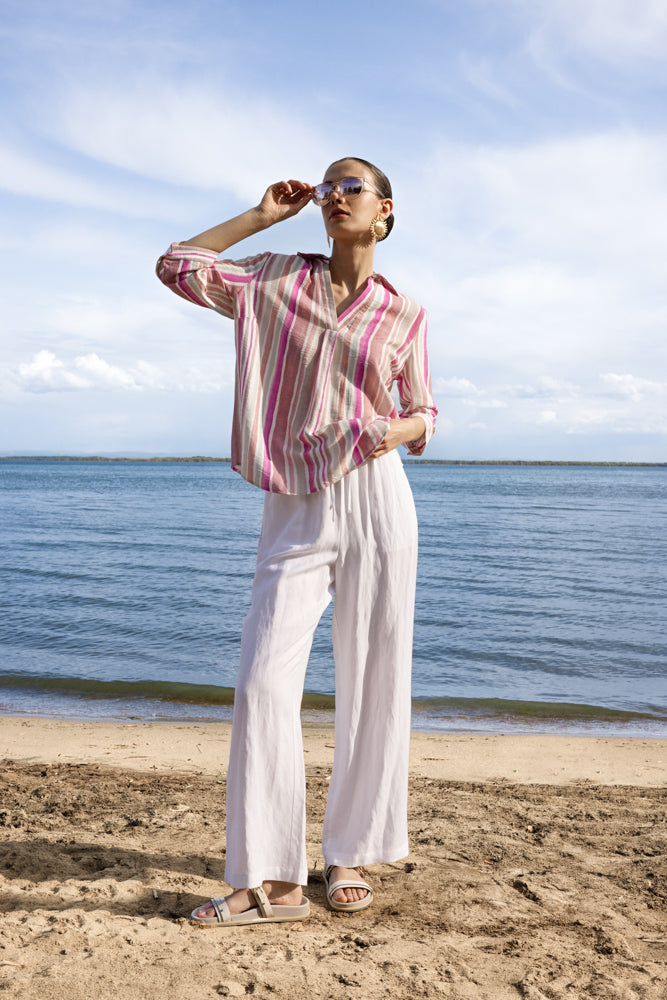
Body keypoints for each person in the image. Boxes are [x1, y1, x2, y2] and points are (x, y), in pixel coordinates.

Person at [156, 157, 437, 926]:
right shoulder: (275, 278)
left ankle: (347, 852)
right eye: (329, 186)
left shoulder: (402, 311)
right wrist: (260, 216)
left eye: (353, 186)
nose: (336, 195)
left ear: (383, 210)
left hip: (379, 495)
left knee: (375, 678)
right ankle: (271, 881)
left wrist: (398, 427)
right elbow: (177, 266)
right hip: (296, 502)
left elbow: (425, 412)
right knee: (263, 682)